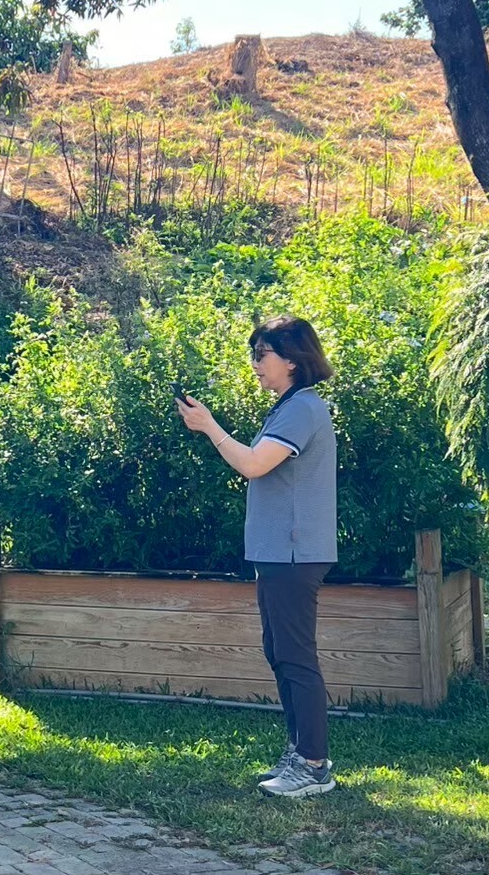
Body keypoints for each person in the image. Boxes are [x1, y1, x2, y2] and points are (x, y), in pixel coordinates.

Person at [176, 315, 337, 798]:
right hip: (279, 553)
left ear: (292, 359)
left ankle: (313, 765)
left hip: (294, 553)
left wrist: (209, 426)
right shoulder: (290, 406)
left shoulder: (301, 408)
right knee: (281, 653)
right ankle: (300, 752)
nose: (255, 364)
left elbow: (253, 464)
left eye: (262, 354)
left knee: (295, 656)